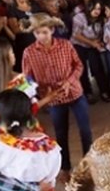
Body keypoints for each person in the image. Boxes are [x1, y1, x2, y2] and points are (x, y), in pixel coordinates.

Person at [22, 13, 93, 179]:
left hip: (75, 93)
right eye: (37, 33)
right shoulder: (29, 52)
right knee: (60, 133)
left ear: (52, 30)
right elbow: (28, 78)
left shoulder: (66, 45)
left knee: (85, 130)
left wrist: (69, 81)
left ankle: (88, 164)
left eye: (45, 32)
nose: (41, 36)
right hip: (53, 99)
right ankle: (65, 167)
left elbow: (78, 65)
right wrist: (41, 92)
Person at [71, 0, 110, 103]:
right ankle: (87, 93)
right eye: (94, 8)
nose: (96, 11)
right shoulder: (79, 17)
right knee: (82, 69)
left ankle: (104, 91)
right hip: (79, 45)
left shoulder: (101, 20)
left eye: (99, 9)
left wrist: (99, 42)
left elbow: (100, 34)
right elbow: (77, 34)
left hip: (92, 45)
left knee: (97, 67)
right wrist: (92, 43)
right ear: (88, 7)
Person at [6, 0, 37, 71]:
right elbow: (15, 30)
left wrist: (24, 24)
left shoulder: (34, 6)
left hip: (38, 40)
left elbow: (42, 20)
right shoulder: (12, 10)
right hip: (25, 43)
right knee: (28, 69)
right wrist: (33, 24)